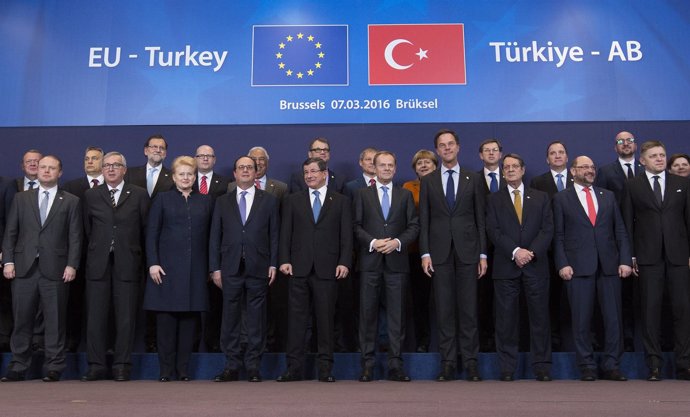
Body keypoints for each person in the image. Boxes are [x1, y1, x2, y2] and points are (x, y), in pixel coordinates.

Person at [1, 155, 81, 382]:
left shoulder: (71, 201)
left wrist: (72, 264)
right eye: (43, 167)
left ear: (60, 172)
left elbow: (75, 236)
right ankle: (18, 366)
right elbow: (10, 232)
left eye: (51, 168)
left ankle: (54, 365)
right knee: (22, 319)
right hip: (24, 268)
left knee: (55, 320)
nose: (46, 171)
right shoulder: (21, 198)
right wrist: (8, 261)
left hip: (56, 268)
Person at [553, 156, 632, 382]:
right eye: (584, 167)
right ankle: (586, 365)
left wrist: (625, 259)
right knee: (581, 319)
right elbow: (558, 235)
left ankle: (611, 365)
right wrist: (562, 263)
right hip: (577, 268)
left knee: (613, 319)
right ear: (572, 171)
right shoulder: (561, 199)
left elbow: (620, 231)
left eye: (592, 167)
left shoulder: (607, 196)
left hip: (609, 266)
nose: (589, 170)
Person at [419, 129, 487, 382]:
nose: (447, 148)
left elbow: (481, 218)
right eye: (442, 145)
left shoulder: (474, 179)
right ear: (437, 150)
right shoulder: (428, 181)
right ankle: (447, 363)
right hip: (439, 254)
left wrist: (483, 254)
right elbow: (424, 221)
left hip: (469, 252)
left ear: (458, 147)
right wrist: (425, 253)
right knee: (444, 311)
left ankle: (470, 362)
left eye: (450, 144)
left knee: (469, 310)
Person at [277, 157, 352, 382]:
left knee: (326, 321)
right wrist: (284, 259)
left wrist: (344, 261)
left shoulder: (340, 201)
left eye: (313, 171)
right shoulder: (292, 200)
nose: (309, 175)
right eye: (306, 172)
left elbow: (346, 236)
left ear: (324, 173)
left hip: (328, 269)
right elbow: (285, 234)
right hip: (297, 268)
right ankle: (293, 369)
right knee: (297, 322)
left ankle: (325, 370)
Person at [622, 141, 690, 381]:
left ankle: (684, 365)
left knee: (683, 311)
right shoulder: (632, 185)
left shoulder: (682, 183)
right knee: (650, 313)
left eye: (662, 155)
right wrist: (630, 256)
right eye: (654, 156)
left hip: (679, 258)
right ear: (643, 160)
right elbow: (627, 223)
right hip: (647, 259)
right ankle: (654, 365)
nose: (660, 159)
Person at [81, 152, 150, 382]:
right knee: (96, 317)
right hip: (97, 264)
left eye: (116, 165)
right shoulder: (91, 195)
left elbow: (145, 230)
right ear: (102, 169)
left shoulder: (139, 194)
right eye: (107, 165)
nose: (111, 169)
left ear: (124, 169)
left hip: (128, 262)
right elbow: (87, 229)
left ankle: (122, 365)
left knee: (126, 317)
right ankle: (96, 365)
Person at [209, 156, 279, 383]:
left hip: (259, 266)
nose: (246, 171)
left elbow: (274, 235)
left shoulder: (268, 200)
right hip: (229, 267)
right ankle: (231, 365)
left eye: (250, 167)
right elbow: (214, 237)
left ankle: (253, 366)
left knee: (256, 319)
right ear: (235, 173)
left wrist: (273, 263)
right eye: (242, 168)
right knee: (229, 317)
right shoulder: (222, 201)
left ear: (256, 172)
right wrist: (215, 268)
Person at [144, 156, 213, 382]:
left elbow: (212, 238)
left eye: (190, 174)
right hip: (165, 270)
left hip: (195, 271)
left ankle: (183, 370)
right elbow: (151, 233)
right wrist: (153, 262)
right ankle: (165, 371)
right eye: (181, 174)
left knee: (188, 325)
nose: (186, 178)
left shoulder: (205, 201)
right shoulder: (162, 199)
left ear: (195, 177)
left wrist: (212, 268)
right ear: (173, 177)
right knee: (166, 324)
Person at [485, 154, 553, 381]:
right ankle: (507, 368)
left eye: (515, 166)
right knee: (505, 320)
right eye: (507, 167)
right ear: (503, 172)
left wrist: (530, 253)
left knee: (540, 319)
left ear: (523, 170)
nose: (511, 170)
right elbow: (493, 231)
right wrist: (515, 252)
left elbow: (547, 229)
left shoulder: (542, 198)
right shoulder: (494, 199)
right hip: (506, 266)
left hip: (536, 266)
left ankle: (542, 367)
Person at [354, 151, 419, 382]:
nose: (387, 169)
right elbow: (356, 226)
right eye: (382, 165)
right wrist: (373, 242)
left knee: (396, 317)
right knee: (367, 316)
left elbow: (414, 226)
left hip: (396, 263)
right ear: (374, 167)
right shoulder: (362, 194)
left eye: (391, 165)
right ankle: (368, 365)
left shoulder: (405, 195)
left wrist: (397, 242)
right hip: (370, 263)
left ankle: (395, 365)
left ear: (395, 168)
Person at [123, 134, 174, 352]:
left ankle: (152, 340)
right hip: (131, 240)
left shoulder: (173, 177)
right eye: (153, 146)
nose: (157, 150)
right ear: (145, 150)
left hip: (161, 243)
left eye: (161, 148)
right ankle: (132, 341)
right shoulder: (130, 174)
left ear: (166, 153)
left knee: (157, 292)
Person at [595, 131, 644, 352]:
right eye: (620, 142)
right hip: (616, 243)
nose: (625, 144)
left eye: (630, 141)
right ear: (615, 147)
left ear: (637, 145)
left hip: (646, 239)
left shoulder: (647, 170)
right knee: (618, 298)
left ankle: (643, 342)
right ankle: (623, 342)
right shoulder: (605, 172)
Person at [529, 140, 573, 351]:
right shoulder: (538, 182)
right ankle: (554, 339)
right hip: (547, 249)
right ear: (547, 159)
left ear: (567, 157)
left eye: (561, 152)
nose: (557, 156)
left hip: (575, 248)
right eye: (553, 153)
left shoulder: (578, 179)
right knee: (551, 298)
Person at [61, 146, 104, 352]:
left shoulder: (115, 187)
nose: (90, 162)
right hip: (78, 253)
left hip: (104, 254)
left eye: (94, 158)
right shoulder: (71, 186)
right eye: (87, 158)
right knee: (75, 300)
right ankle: (72, 341)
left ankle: (103, 343)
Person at [2, 149, 44, 353]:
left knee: (42, 304)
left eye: (37, 161)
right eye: (29, 161)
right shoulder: (14, 188)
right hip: (19, 255)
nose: (34, 164)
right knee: (18, 303)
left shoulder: (57, 191)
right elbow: (10, 225)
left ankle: (37, 339)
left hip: (45, 256)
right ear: (22, 165)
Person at [402, 149, 437, 353]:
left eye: (427, 162)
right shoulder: (408, 187)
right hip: (415, 252)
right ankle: (422, 342)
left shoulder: (444, 186)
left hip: (442, 250)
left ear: (435, 165)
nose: (423, 165)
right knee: (419, 300)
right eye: (419, 163)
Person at [477, 138, 505, 352]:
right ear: (480, 155)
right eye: (487, 150)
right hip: (482, 247)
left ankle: (503, 340)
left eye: (495, 150)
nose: (491, 153)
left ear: (501, 154)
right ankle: (485, 341)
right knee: (483, 297)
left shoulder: (513, 176)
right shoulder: (473, 179)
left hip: (508, 248)